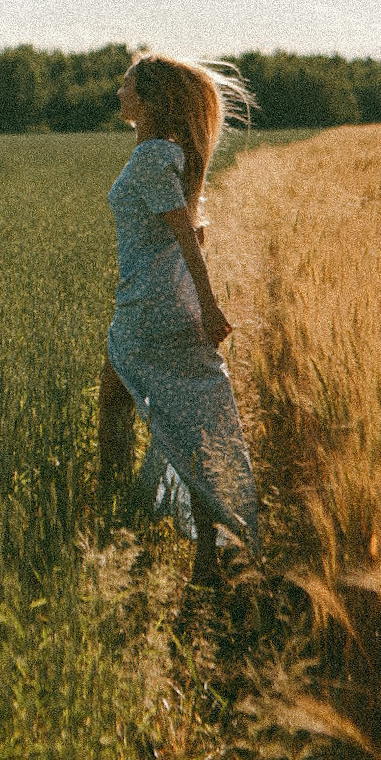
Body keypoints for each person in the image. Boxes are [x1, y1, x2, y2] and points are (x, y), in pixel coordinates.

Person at [98, 52, 260, 588]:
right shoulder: (167, 153)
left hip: (147, 310)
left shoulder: (151, 158)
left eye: (127, 85)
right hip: (164, 302)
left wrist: (209, 306)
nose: (119, 92)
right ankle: (209, 557)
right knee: (188, 423)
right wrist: (195, 301)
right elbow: (192, 228)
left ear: (148, 100)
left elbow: (188, 237)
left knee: (120, 403)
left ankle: (111, 511)